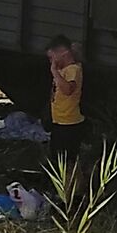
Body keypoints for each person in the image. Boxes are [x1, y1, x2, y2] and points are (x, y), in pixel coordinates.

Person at [46, 35, 86, 166]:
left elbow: (68, 89)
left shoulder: (73, 70)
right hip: (59, 121)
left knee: (66, 160)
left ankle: (71, 183)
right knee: (56, 157)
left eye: (52, 58)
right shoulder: (63, 70)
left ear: (63, 54)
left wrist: (54, 72)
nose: (51, 61)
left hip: (69, 123)